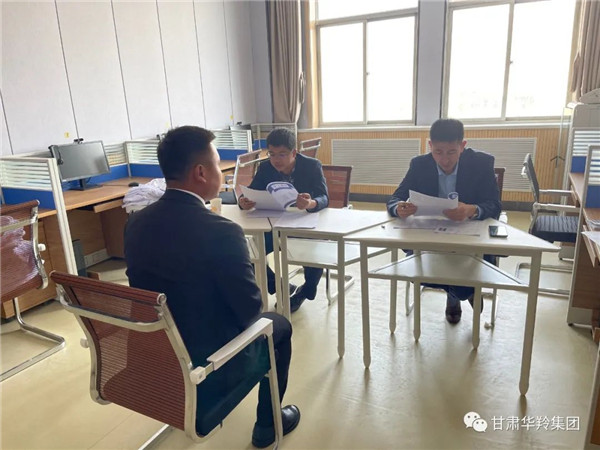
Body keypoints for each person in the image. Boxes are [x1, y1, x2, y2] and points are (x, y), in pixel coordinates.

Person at [124, 126, 300, 448]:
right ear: (201, 173)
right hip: (209, 365)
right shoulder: (223, 231)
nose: (222, 172)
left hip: (155, 357)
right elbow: (250, 312)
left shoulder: (135, 223)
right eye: (218, 165)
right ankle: (268, 426)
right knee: (279, 325)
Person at [386, 118, 501, 324]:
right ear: (430, 146)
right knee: (421, 271)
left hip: (468, 241)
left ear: (462, 146)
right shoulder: (419, 165)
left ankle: (457, 294)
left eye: (451, 152)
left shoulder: (482, 163)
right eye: (438, 152)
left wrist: (472, 209)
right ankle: (462, 292)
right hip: (431, 239)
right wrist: (399, 207)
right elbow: (395, 198)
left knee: (459, 274)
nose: (445, 160)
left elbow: (494, 205)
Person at [239, 128, 329, 313]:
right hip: (273, 225)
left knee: (314, 255)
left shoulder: (312, 165)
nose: (276, 160)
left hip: (303, 224)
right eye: (272, 154)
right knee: (247, 254)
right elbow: (251, 191)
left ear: (294, 153)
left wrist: (310, 203)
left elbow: (324, 197)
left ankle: (305, 291)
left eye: (282, 154)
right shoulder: (265, 168)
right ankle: (280, 286)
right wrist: (243, 201)